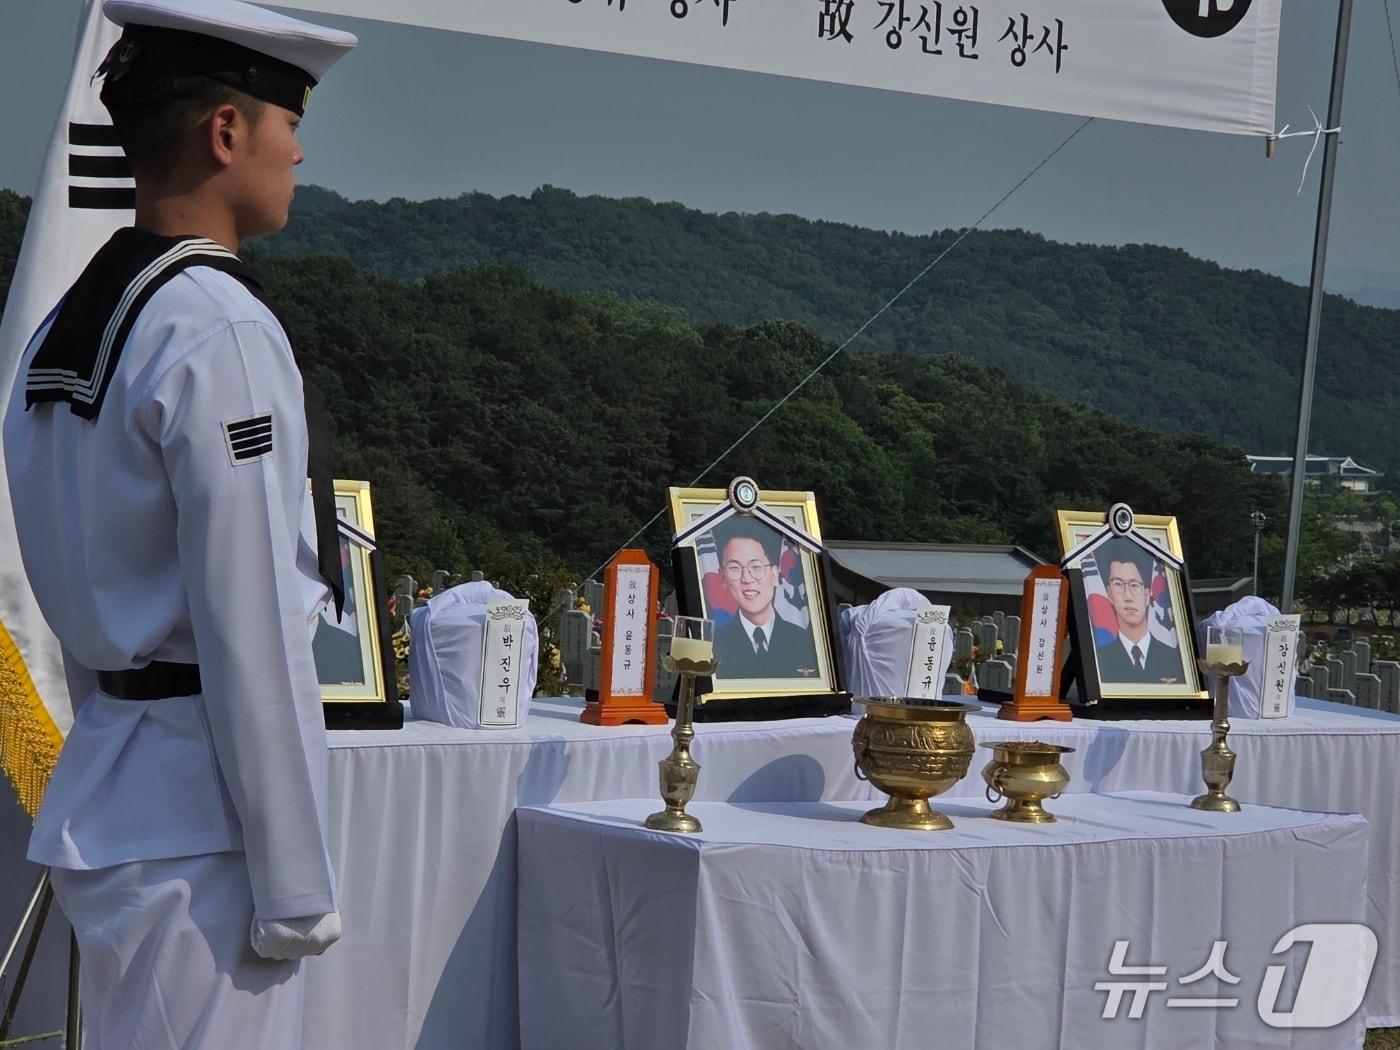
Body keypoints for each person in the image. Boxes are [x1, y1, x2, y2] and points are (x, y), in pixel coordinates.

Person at [3, 1, 357, 1044]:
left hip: (117, 782)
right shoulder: (217, 327)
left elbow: (77, 585)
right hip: (205, 825)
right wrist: (295, 878)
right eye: (287, 118)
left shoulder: (70, 320)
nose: (299, 147)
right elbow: (252, 627)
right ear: (226, 133)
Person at [711, 518, 818, 678]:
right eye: (734, 568)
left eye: (756, 567)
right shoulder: (713, 645)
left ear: (775, 575)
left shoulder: (805, 643)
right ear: (723, 578)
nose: (746, 578)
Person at [1093, 538, 1182, 684]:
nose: (1128, 597)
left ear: (1147, 595)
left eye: (1134, 585)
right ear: (1109, 594)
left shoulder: (1174, 659)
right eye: (1118, 584)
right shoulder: (1099, 660)